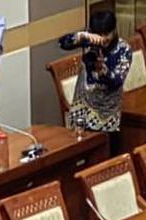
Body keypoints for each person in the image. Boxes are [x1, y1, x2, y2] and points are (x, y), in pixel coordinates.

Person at [59, 11, 131, 150]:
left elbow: (117, 81)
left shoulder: (123, 49)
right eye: (99, 34)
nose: (103, 39)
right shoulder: (89, 41)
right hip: (83, 108)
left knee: (105, 153)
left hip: (107, 112)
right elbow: (63, 43)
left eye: (106, 34)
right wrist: (82, 36)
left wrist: (104, 71)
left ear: (114, 30)